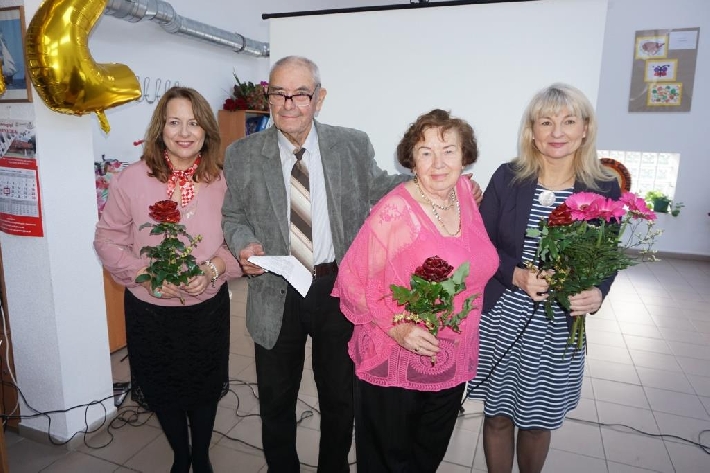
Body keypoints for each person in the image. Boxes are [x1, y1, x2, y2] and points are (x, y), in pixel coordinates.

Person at [332, 109, 498, 472]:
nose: (438, 163)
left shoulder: (464, 193)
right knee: (389, 463)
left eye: (448, 151)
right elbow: (351, 279)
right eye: (426, 152)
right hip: (397, 358)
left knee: (427, 458)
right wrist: (396, 327)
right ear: (412, 160)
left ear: (465, 157)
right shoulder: (396, 211)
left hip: (450, 358)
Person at [467, 83, 621, 473]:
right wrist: (516, 275)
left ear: (585, 129)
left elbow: (608, 255)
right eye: (546, 121)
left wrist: (598, 292)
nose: (557, 132)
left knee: (537, 422)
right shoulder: (508, 178)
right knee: (498, 416)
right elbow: (479, 244)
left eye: (568, 121)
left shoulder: (604, 186)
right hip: (502, 318)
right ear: (532, 131)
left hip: (558, 327)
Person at [94, 86, 242, 473]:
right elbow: (106, 240)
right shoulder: (131, 179)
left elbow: (240, 245)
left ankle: (201, 456)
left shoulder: (223, 182)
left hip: (206, 310)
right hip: (150, 311)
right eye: (175, 122)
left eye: (194, 123)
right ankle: (180, 454)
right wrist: (145, 276)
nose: (184, 132)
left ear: (207, 130)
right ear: (160, 128)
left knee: (204, 387)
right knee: (162, 387)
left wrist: (213, 269)